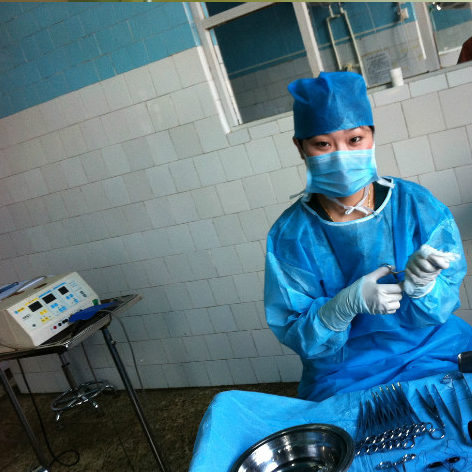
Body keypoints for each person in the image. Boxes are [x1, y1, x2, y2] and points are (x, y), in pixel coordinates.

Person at [264, 71, 472, 402]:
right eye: (322, 144)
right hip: (344, 372)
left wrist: (424, 287)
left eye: (355, 140)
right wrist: (340, 308)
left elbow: (444, 299)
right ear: (300, 147)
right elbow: (300, 334)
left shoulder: (414, 204)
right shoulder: (291, 236)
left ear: (372, 137)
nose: (341, 155)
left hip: (431, 347)